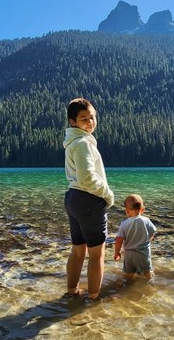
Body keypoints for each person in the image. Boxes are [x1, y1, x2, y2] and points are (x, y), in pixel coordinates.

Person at [63, 98, 114, 301]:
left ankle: (72, 291)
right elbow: (87, 178)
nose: (90, 122)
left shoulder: (73, 142)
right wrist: (108, 195)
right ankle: (94, 298)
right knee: (96, 254)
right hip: (88, 201)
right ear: (73, 122)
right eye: (84, 119)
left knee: (78, 251)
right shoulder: (83, 143)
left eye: (92, 117)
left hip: (73, 199)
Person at [113, 193, 157, 281]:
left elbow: (119, 240)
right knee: (147, 271)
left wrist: (117, 252)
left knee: (129, 273)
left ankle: (128, 286)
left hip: (129, 254)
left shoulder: (124, 224)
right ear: (143, 210)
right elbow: (152, 232)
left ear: (127, 211)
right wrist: (149, 239)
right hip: (143, 253)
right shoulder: (146, 221)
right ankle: (150, 286)